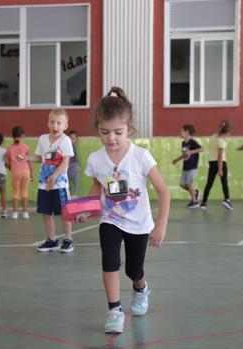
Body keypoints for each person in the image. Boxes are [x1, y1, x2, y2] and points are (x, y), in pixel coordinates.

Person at [82, 86, 170, 334]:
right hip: (110, 219)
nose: (111, 138)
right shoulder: (96, 159)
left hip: (138, 223)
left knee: (133, 269)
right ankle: (114, 310)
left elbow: (164, 191)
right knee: (109, 262)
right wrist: (86, 208)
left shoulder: (141, 156)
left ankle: (140, 288)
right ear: (97, 129)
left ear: (129, 129)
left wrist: (159, 226)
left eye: (118, 132)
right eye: (104, 132)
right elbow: (96, 186)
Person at [25, 108, 75, 253]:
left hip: (59, 184)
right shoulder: (42, 139)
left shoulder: (65, 140)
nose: (55, 126)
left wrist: (54, 177)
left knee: (65, 213)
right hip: (44, 184)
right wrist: (28, 158)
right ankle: (52, 240)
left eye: (59, 123)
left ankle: (68, 240)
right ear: (48, 123)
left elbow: (65, 162)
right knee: (46, 213)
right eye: (52, 122)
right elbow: (40, 157)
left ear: (65, 125)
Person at [200, 120, 233, 210]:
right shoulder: (222, 142)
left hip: (212, 162)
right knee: (224, 182)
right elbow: (220, 156)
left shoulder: (213, 137)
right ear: (227, 133)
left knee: (209, 183)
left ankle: (203, 202)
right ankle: (227, 199)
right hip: (220, 162)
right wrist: (220, 168)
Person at [171, 124, 203, 208]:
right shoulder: (183, 143)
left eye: (181, 131)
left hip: (192, 167)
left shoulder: (192, 142)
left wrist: (191, 152)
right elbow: (184, 155)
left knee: (188, 184)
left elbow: (201, 149)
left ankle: (194, 202)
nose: (180, 132)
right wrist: (176, 160)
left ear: (187, 132)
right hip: (185, 167)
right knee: (182, 185)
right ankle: (194, 192)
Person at [6, 126, 32, 219]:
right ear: (23, 135)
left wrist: (11, 169)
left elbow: (7, 163)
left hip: (15, 172)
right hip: (26, 171)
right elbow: (28, 161)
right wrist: (31, 173)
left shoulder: (9, 149)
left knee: (16, 193)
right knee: (25, 193)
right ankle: (25, 213)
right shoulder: (26, 147)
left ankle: (15, 213)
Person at [67, 130, 81, 198]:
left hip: (73, 167)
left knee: (71, 182)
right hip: (75, 167)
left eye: (73, 138)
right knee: (75, 182)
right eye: (70, 138)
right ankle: (74, 195)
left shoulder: (72, 146)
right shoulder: (73, 146)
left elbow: (71, 158)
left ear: (76, 139)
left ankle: (72, 195)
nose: (71, 140)